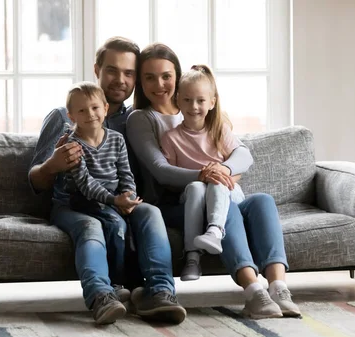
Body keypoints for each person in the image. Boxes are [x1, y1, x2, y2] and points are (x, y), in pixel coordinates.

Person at [127, 43, 302, 319]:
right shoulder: (142, 118)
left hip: (220, 192)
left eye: (166, 76)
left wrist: (222, 171)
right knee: (225, 206)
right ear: (140, 81)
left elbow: (242, 154)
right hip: (180, 204)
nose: (159, 84)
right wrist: (205, 175)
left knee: (262, 202)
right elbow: (161, 170)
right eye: (149, 77)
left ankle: (279, 287)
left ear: (178, 77)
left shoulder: (205, 112)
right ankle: (254, 291)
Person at [28, 37, 186, 325]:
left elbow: (137, 174)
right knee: (91, 225)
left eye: (129, 73)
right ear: (97, 69)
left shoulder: (134, 121)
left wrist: (127, 198)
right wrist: (53, 165)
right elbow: (34, 182)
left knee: (150, 211)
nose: (120, 80)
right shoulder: (64, 117)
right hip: (75, 206)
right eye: (112, 70)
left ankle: (160, 291)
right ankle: (101, 296)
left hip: (119, 201)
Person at [160, 64, 245, 282]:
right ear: (178, 100)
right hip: (192, 195)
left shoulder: (219, 130)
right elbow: (170, 180)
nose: (194, 106)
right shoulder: (171, 138)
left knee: (216, 181)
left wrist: (222, 176)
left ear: (212, 102)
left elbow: (242, 163)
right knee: (198, 186)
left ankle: (215, 232)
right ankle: (192, 259)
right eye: (187, 100)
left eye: (200, 100)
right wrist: (199, 177)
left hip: (227, 194)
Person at [63, 81, 142, 304]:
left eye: (95, 107)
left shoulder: (116, 139)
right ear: (71, 116)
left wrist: (128, 195)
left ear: (105, 108)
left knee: (133, 226)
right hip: (84, 199)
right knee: (116, 225)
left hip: (114, 198)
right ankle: (114, 284)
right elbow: (86, 184)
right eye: (82, 110)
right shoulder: (73, 144)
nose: (90, 114)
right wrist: (113, 200)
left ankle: (137, 283)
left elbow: (126, 172)